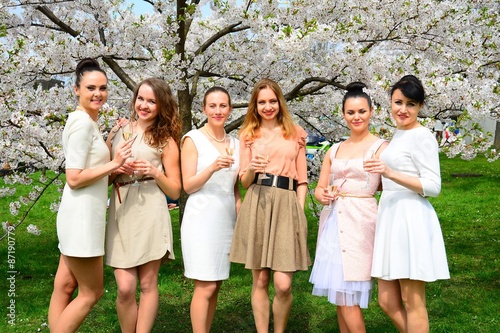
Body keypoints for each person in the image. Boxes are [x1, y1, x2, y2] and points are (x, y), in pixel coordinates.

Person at [48, 58, 132, 332]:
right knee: (91, 292)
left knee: (65, 286)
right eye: (90, 88)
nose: (98, 93)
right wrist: (115, 163)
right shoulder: (82, 124)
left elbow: (94, 171)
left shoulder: (87, 122)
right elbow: (73, 178)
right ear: (76, 90)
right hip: (82, 221)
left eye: (103, 88)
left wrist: (112, 139)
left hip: (79, 215)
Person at [366, 75, 450, 333]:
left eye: (410, 104)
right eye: (398, 102)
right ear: (390, 102)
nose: (403, 110)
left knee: (411, 300)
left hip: (410, 219)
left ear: (420, 107)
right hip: (390, 216)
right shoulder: (399, 134)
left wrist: (390, 174)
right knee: (387, 300)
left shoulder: (422, 136)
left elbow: (433, 186)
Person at [230, 78, 311, 333]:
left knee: (284, 284)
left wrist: (299, 208)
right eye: (262, 102)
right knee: (261, 278)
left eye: (272, 101)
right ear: (255, 105)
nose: (268, 107)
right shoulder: (247, 135)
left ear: (279, 102)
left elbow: (303, 179)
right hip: (258, 201)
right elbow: (244, 181)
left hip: (287, 204)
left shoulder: (295, 133)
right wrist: (253, 167)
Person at [309, 82, 387, 333]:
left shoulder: (381, 148)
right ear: (343, 114)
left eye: (362, 111)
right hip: (334, 222)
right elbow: (319, 188)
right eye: (351, 112)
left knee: (348, 297)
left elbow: (391, 187)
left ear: (371, 111)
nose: (356, 117)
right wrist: (323, 195)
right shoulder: (335, 149)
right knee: (340, 297)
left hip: (361, 222)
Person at [105, 78, 182, 333]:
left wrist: (154, 172)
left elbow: (175, 190)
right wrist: (116, 168)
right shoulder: (118, 131)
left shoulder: (166, 140)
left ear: (162, 105)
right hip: (121, 209)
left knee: (148, 284)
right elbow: (102, 178)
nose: (144, 105)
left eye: (152, 101)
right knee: (125, 287)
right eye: (141, 98)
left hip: (151, 209)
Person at [181, 86, 241, 333]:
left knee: (216, 284)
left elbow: (236, 189)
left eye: (223, 106)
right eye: (213, 106)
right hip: (201, 217)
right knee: (204, 285)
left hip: (225, 218)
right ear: (204, 108)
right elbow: (188, 186)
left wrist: (242, 218)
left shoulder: (236, 144)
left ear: (230, 109)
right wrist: (212, 168)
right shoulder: (192, 139)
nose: (218, 111)